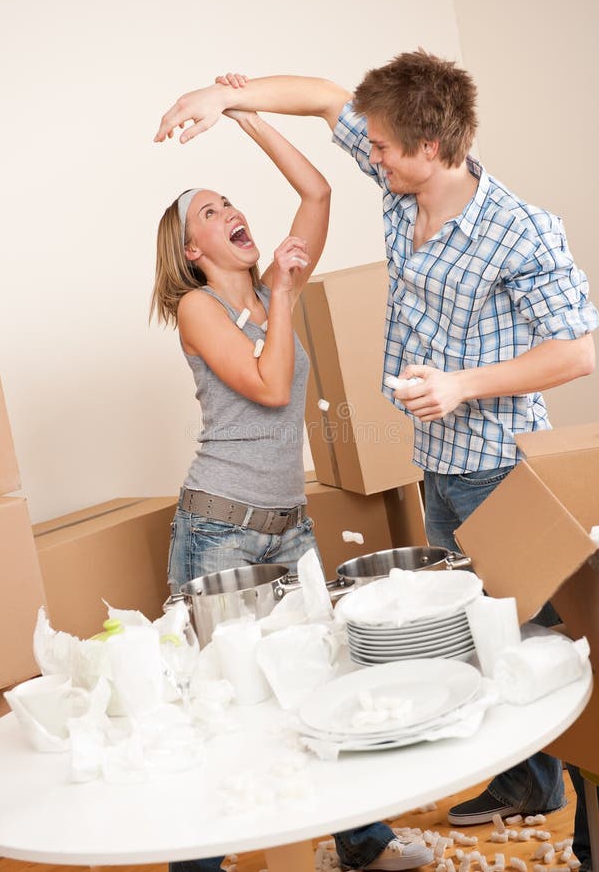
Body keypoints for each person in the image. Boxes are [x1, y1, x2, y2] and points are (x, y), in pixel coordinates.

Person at [154, 50, 599, 833]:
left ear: (430, 148)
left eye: (385, 147)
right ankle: (524, 784)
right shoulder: (398, 185)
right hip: (431, 466)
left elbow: (579, 350)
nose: (372, 153)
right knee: (466, 633)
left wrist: (462, 385)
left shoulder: (521, 232)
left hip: (500, 464)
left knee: (529, 634)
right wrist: (227, 102)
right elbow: (328, 99)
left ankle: (556, 783)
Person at [152, 109, 432, 872]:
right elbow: (273, 389)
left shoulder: (274, 293)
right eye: (209, 212)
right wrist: (278, 287)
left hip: (288, 526)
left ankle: (363, 846)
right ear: (190, 249)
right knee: (218, 709)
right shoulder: (199, 309)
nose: (230, 212)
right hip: (222, 533)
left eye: (230, 201)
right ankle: (198, 865)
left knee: (324, 678)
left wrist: (245, 113)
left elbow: (315, 189)